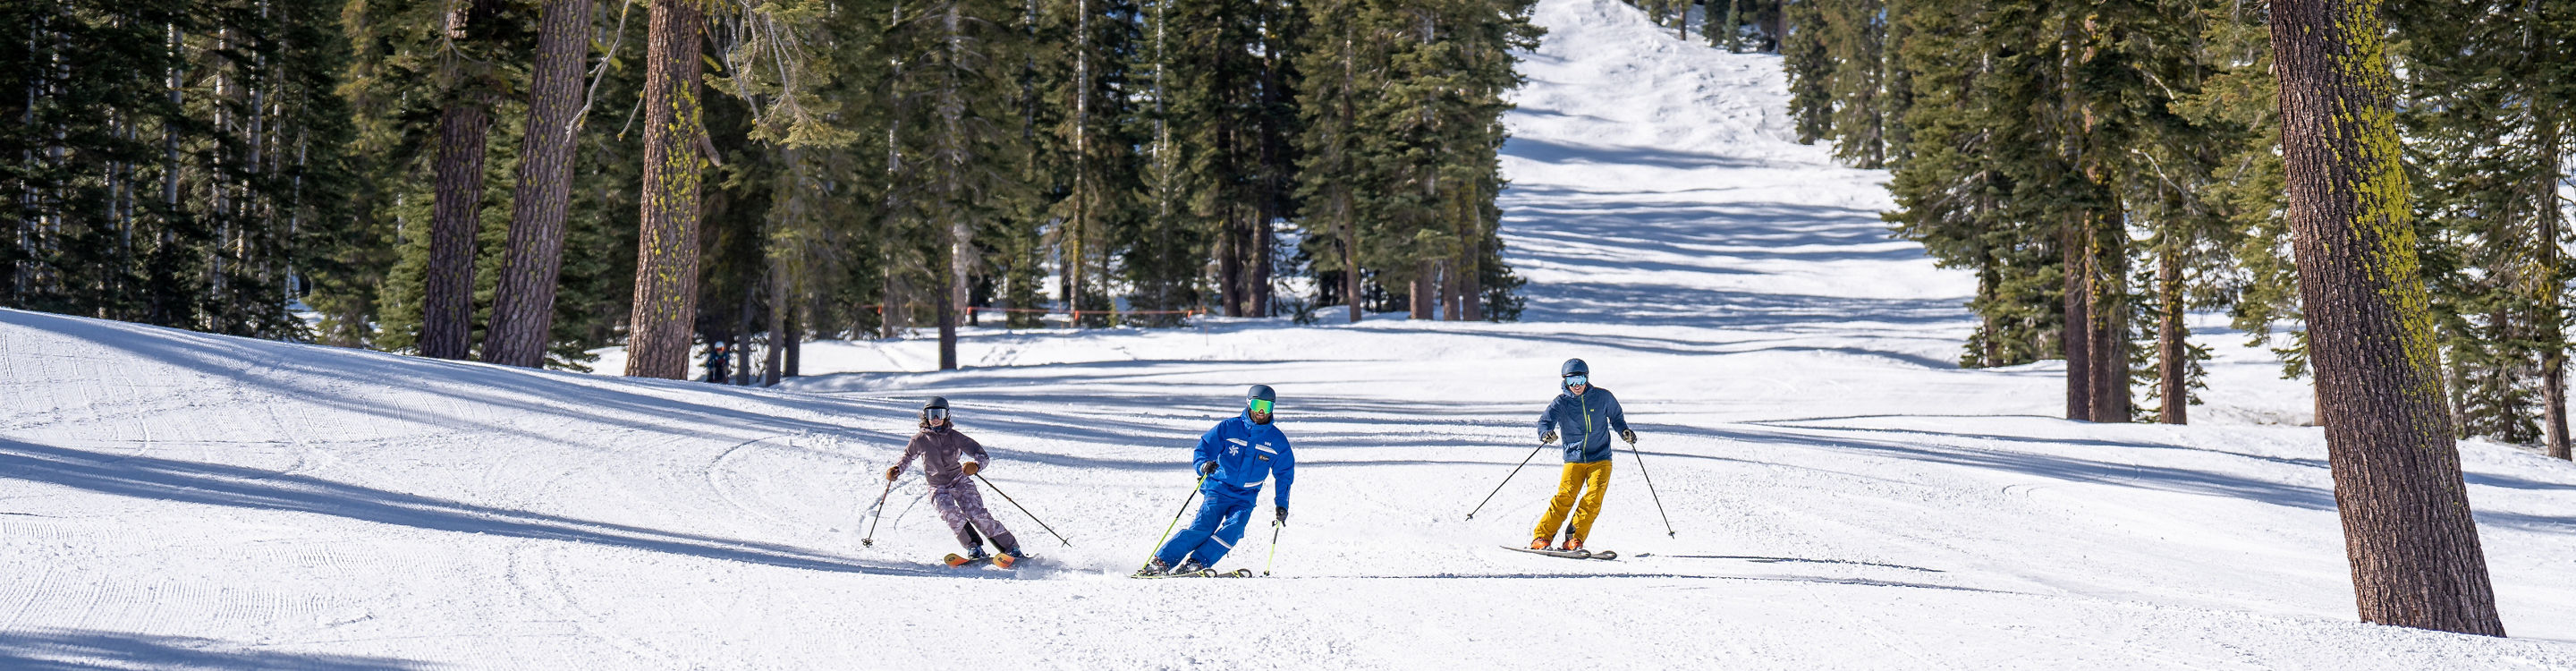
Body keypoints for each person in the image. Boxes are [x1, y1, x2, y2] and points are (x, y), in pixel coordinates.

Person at [1140, 385, 1297, 576]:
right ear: (1249, 404)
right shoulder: (1229, 428)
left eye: (1267, 406)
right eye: (1257, 404)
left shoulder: (1277, 441)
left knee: (1235, 528)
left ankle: (1196, 563)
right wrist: (1204, 465)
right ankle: (1161, 562)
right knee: (1203, 528)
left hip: (1245, 496)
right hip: (1218, 488)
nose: (1261, 411)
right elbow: (1203, 449)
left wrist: (1282, 504)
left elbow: (1284, 474)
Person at [885, 396, 1027, 567]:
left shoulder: (955, 437)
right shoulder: (919, 440)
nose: (935, 419)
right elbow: (907, 457)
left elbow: (982, 455)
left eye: (940, 414)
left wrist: (976, 466)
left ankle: (1011, 548)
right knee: (950, 514)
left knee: (977, 514)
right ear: (925, 416)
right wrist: (897, 469)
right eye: (931, 414)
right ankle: (974, 548)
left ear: (947, 415)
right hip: (937, 486)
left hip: (959, 481)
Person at [1530, 358, 1633, 552]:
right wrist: (1546, 434)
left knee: (1593, 499)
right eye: (1571, 381)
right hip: (1574, 459)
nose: (1576, 386)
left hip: (1601, 457)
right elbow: (1545, 422)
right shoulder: (1561, 403)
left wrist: (1624, 431)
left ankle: (1574, 539)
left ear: (1586, 378)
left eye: (1579, 380)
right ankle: (1541, 537)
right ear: (1565, 382)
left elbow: (1617, 418)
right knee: (1565, 497)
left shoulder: (1603, 397)